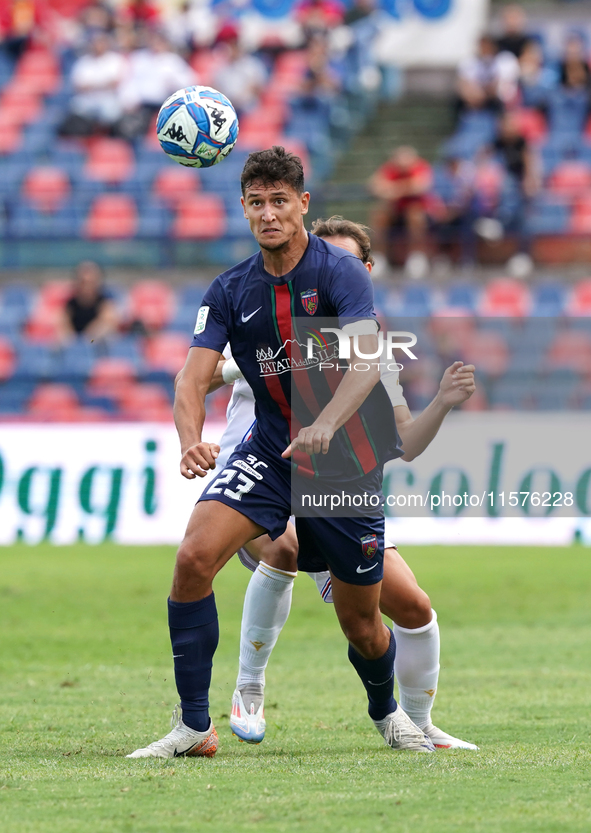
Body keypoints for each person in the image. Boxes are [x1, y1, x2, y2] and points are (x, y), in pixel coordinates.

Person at [127, 146, 435, 759]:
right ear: (243, 209)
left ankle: (388, 712)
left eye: (280, 201)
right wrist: (192, 440)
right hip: (269, 450)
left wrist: (325, 423)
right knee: (192, 560)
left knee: (362, 623)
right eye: (257, 203)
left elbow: (368, 359)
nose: (269, 214)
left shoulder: (339, 273)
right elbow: (192, 379)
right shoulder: (230, 288)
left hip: (342, 459)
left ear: (302, 204)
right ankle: (194, 726)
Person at [211, 216, 477, 750]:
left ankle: (417, 724)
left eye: (345, 263)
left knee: (413, 608)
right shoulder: (269, 313)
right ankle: (249, 689)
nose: (326, 273)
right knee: (283, 545)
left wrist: (444, 403)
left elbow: (406, 441)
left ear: (365, 272)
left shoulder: (371, 351)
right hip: (264, 472)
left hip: (338, 489)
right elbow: (207, 370)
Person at [368, 146, 433, 278]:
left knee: (415, 214)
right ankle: (379, 257)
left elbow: (421, 185)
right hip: (395, 213)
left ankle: (416, 257)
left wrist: (395, 190)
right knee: (379, 215)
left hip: (419, 213)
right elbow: (374, 186)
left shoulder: (420, 166)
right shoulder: (390, 169)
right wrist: (403, 188)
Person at [57, 261, 119, 342]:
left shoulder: (105, 304)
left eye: (91, 282)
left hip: (94, 345)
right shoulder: (69, 305)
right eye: (84, 282)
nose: (87, 287)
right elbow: (62, 329)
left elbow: (107, 324)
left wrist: (89, 339)